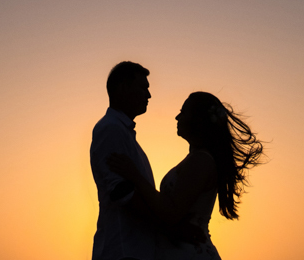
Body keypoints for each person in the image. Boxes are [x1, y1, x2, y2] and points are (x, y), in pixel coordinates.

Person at [109, 91, 265, 259]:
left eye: (183, 112)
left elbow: (171, 212)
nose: (177, 117)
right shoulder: (196, 158)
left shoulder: (201, 161)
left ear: (197, 120)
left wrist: (135, 176)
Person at [90, 61, 158, 260]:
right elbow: (121, 193)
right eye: (143, 87)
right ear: (122, 88)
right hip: (123, 251)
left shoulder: (122, 132)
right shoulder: (111, 129)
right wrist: (168, 225)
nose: (149, 95)